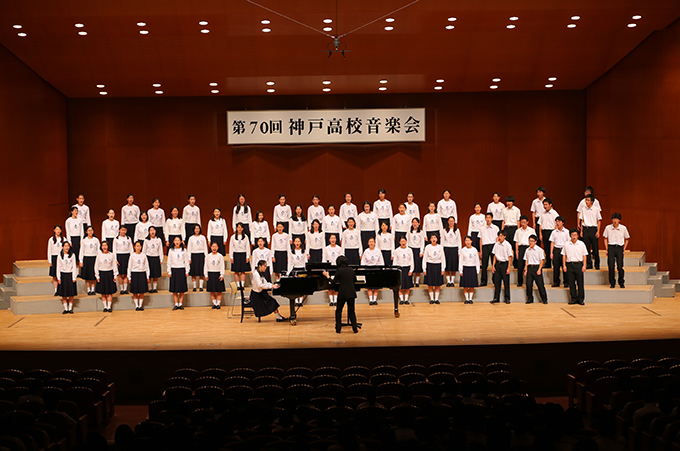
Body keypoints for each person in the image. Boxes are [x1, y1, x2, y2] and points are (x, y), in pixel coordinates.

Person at [324, 256, 359, 333]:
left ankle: (338, 328)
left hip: (342, 293)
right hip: (351, 293)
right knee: (351, 311)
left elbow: (333, 282)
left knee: (339, 311)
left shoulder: (339, 271)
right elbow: (355, 280)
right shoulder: (351, 270)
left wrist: (327, 276)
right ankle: (354, 328)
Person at [603, 212, 630, 289]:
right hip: (611, 247)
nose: (615, 220)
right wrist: (607, 249)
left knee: (620, 266)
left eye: (616, 219)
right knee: (611, 266)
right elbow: (605, 238)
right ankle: (612, 283)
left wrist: (624, 249)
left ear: (619, 220)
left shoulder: (623, 228)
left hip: (619, 247)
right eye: (614, 219)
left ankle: (621, 282)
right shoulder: (608, 228)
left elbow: (627, 239)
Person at [563, 228, 589, 305]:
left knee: (580, 283)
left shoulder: (581, 244)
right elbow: (564, 255)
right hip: (570, 265)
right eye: (572, 235)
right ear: (570, 235)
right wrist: (564, 265)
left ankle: (581, 299)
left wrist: (584, 266)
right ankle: (573, 298)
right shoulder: (566, 244)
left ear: (578, 235)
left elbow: (585, 255)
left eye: (575, 235)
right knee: (571, 283)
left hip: (579, 265)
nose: (574, 236)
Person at [579, 194, 602, 270]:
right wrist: (582, 231)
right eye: (586, 200)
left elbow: (599, 220)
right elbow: (582, 220)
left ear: (592, 201)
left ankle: (597, 264)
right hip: (586, 229)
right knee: (586, 248)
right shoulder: (583, 209)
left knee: (595, 248)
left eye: (588, 200)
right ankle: (589, 264)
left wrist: (598, 231)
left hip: (593, 229)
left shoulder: (596, 209)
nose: (586, 202)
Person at [524, 235, 548, 304]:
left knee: (540, 285)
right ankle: (530, 299)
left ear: (535, 242)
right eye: (529, 241)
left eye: (532, 241)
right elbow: (526, 260)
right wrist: (526, 269)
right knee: (528, 284)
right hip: (529, 268)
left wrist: (539, 269)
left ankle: (544, 299)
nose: (530, 242)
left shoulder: (539, 250)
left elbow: (542, 260)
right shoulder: (527, 250)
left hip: (537, 268)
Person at [490, 230, 513, 304]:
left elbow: (510, 257)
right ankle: (496, 298)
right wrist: (493, 266)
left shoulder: (508, 245)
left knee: (506, 283)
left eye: (501, 236)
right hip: (498, 264)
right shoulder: (496, 244)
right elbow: (494, 256)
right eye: (499, 236)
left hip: (505, 264)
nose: (499, 237)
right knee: (497, 283)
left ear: (504, 236)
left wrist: (508, 268)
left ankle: (507, 298)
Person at [95, 241, 118, 312]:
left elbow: (114, 265)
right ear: (101, 247)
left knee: (110, 292)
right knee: (103, 292)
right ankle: (105, 307)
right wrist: (97, 276)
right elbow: (96, 266)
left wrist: (115, 275)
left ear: (108, 246)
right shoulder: (99, 255)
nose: (104, 247)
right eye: (103, 245)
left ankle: (109, 307)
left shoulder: (111, 255)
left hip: (109, 273)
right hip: (102, 274)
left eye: (106, 245)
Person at [513, 215, 536, 288]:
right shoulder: (518, 231)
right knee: (520, 266)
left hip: (529, 248)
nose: (523, 224)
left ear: (527, 222)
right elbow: (516, 242)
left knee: (529, 265)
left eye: (524, 222)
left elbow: (535, 240)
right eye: (521, 222)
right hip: (521, 248)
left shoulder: (532, 230)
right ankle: (520, 282)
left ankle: (529, 281)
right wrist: (516, 251)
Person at [168, 236, 190, 310]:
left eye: (178, 240)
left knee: (181, 288)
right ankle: (176, 304)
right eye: (175, 240)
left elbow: (186, 261)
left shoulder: (184, 250)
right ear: (173, 242)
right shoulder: (171, 250)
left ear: (181, 242)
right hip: (174, 269)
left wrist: (187, 271)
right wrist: (169, 271)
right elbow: (169, 261)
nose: (177, 242)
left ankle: (180, 304)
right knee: (174, 289)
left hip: (181, 269)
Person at [361, 237, 384, 305]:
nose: (371, 243)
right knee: (369, 286)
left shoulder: (378, 251)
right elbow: (363, 261)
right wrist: (363, 270)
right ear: (368, 243)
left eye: (372, 242)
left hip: (376, 269)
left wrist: (381, 269)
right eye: (370, 242)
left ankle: (375, 300)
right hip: (368, 269)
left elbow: (381, 261)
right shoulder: (366, 251)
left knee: (376, 285)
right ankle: (371, 300)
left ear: (375, 243)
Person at [423, 234, 446, 304]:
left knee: (437, 284)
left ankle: (436, 299)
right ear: (430, 239)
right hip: (430, 266)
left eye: (435, 237)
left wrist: (443, 268)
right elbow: (424, 258)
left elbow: (443, 258)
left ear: (437, 239)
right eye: (432, 238)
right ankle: (432, 299)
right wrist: (424, 269)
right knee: (430, 284)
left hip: (438, 266)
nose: (434, 239)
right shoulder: (427, 247)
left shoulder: (440, 247)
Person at [536, 198, 559, 268]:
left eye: (546, 204)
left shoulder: (554, 213)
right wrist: (540, 234)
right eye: (544, 205)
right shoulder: (543, 214)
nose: (545, 206)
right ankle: (548, 263)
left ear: (550, 205)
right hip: (544, 232)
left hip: (551, 231)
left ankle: (554, 263)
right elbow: (540, 224)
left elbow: (557, 223)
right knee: (546, 248)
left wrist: (554, 232)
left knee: (552, 248)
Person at [127, 241, 150, 311]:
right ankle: (136, 305)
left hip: (142, 273)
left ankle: (140, 305)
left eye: (139, 246)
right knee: (135, 291)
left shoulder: (143, 255)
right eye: (137, 246)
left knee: (141, 291)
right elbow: (129, 267)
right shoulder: (132, 256)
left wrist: (147, 276)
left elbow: (147, 267)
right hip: (134, 273)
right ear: (134, 247)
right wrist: (129, 276)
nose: (138, 247)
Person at [56, 241, 77, 314]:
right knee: (64, 293)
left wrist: (74, 277)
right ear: (62, 247)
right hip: (63, 275)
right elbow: (58, 267)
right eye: (65, 246)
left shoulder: (72, 255)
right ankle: (66, 308)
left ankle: (70, 308)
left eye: (68, 246)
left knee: (71, 293)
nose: (67, 247)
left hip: (70, 274)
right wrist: (58, 277)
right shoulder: (60, 256)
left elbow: (74, 266)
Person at [392, 236, 414, 305]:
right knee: (400, 285)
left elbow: (412, 260)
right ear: (399, 242)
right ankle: (401, 299)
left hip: (407, 268)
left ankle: (406, 299)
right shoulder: (396, 250)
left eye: (404, 241)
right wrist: (395, 270)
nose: (403, 243)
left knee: (407, 285)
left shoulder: (409, 250)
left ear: (406, 241)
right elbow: (395, 261)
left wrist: (411, 270)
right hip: (400, 269)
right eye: (401, 241)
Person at [323, 234, 344, 307]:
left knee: (336, 283)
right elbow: (324, 259)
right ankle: (331, 301)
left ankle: (335, 300)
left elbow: (342, 258)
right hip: (329, 267)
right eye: (331, 238)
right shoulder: (326, 248)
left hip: (337, 268)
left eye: (334, 238)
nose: (333, 239)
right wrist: (324, 269)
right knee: (329, 284)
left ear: (336, 239)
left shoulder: (339, 248)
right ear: (329, 240)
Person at [479, 213, 499, 286]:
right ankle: (484, 281)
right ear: (485, 219)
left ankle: (495, 280)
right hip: (485, 247)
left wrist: (497, 249)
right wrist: (481, 250)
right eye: (487, 217)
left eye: (489, 217)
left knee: (494, 265)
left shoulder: (496, 228)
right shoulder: (482, 228)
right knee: (484, 265)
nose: (488, 219)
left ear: (492, 219)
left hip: (493, 246)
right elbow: (480, 239)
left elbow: (497, 239)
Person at [549, 216, 570, 288]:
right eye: (556, 221)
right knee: (556, 267)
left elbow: (568, 243)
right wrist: (551, 252)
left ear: (563, 223)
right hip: (556, 250)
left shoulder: (567, 232)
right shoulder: (554, 232)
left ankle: (566, 282)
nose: (557, 223)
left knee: (565, 267)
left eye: (559, 221)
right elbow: (552, 242)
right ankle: (556, 282)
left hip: (564, 250)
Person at [79, 226, 100, 296]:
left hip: (94, 258)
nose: (90, 232)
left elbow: (98, 250)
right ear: (86, 232)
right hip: (86, 258)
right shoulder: (84, 240)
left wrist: (99, 258)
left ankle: (93, 289)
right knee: (87, 275)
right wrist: (81, 260)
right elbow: (81, 250)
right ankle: (88, 290)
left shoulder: (96, 240)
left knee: (93, 275)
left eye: (91, 230)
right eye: (89, 230)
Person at [288, 236, 309, 306]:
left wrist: (306, 270)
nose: (297, 243)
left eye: (298, 241)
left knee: (302, 286)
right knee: (295, 286)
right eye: (296, 241)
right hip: (295, 269)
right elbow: (290, 263)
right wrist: (288, 272)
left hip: (302, 269)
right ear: (293, 243)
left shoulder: (304, 251)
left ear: (300, 243)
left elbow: (305, 261)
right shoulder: (291, 252)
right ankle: (296, 301)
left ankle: (300, 301)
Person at [459, 236, 480, 304]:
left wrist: (477, 270)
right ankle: (466, 298)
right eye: (466, 241)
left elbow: (477, 260)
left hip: (473, 268)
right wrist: (461, 270)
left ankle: (470, 298)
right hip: (465, 268)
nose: (467, 242)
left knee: (471, 285)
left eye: (469, 240)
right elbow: (461, 261)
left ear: (471, 241)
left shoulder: (474, 250)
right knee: (465, 285)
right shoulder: (463, 250)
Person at [229, 223, 251, 289]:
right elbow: (231, 247)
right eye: (238, 227)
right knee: (236, 271)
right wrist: (231, 257)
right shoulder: (233, 237)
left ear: (243, 228)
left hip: (243, 254)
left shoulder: (246, 237)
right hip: (236, 254)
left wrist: (247, 256)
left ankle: (242, 285)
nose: (239, 229)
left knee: (243, 271)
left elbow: (247, 247)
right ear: (236, 228)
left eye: (241, 227)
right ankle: (238, 285)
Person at [205, 242, 226, 309]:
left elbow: (222, 266)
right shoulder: (208, 256)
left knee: (219, 291)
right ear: (210, 247)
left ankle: (218, 304)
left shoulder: (220, 256)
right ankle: (214, 303)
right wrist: (206, 274)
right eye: (213, 246)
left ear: (218, 248)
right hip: (210, 273)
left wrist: (222, 274)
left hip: (218, 274)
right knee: (212, 291)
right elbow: (206, 266)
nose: (214, 248)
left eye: (215, 246)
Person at [187, 225, 208, 292]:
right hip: (193, 255)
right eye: (195, 228)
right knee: (194, 272)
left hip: (201, 255)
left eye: (198, 228)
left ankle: (201, 286)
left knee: (201, 272)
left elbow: (205, 247)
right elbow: (189, 248)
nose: (197, 230)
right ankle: (194, 287)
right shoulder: (191, 238)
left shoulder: (203, 237)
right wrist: (189, 257)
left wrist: (206, 256)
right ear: (193, 230)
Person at [142, 226, 163, 293]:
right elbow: (144, 250)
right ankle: (149, 288)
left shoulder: (158, 239)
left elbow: (160, 250)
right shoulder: (146, 240)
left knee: (155, 274)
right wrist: (143, 259)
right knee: (149, 274)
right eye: (151, 230)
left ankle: (154, 288)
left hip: (156, 257)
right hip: (148, 258)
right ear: (149, 232)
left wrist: (161, 259)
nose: (152, 232)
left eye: (153, 230)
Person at [501, 196, 521, 267]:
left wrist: (518, 230)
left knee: (514, 246)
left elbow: (518, 221)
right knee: (506, 246)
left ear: (513, 202)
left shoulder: (517, 210)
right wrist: (502, 231)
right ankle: (506, 262)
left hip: (514, 228)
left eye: (510, 201)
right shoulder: (504, 210)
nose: (508, 203)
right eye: (507, 202)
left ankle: (516, 263)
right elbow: (503, 221)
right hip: (506, 228)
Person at [442, 216, 461, 287]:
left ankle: (452, 281)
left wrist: (459, 251)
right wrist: (442, 250)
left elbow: (459, 241)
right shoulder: (444, 230)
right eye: (450, 221)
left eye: (452, 221)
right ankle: (448, 281)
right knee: (447, 265)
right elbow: (442, 241)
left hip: (454, 248)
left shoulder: (457, 230)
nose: (451, 222)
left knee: (453, 266)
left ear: (454, 222)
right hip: (446, 248)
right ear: (448, 222)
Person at [113, 226, 132, 294]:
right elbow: (114, 250)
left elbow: (131, 249)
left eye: (125, 230)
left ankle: (125, 289)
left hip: (127, 256)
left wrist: (131, 258)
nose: (123, 231)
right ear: (119, 230)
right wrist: (115, 259)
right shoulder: (116, 239)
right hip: (119, 256)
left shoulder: (128, 238)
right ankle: (121, 289)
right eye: (122, 230)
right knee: (121, 274)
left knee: (126, 273)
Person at [48, 225, 66, 296]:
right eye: (57, 229)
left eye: (59, 229)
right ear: (54, 230)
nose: (58, 231)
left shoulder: (64, 239)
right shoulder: (51, 239)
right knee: (55, 275)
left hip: (62, 257)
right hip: (54, 257)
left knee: (61, 274)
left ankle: (61, 290)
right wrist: (50, 260)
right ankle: (56, 290)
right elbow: (49, 250)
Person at [407, 218, 425, 287]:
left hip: (418, 250)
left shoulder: (421, 232)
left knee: (417, 266)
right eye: (413, 222)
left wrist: (421, 251)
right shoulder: (409, 232)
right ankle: (411, 281)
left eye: (416, 222)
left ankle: (417, 282)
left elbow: (422, 242)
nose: (415, 224)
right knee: (411, 265)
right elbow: (407, 240)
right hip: (411, 249)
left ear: (418, 224)